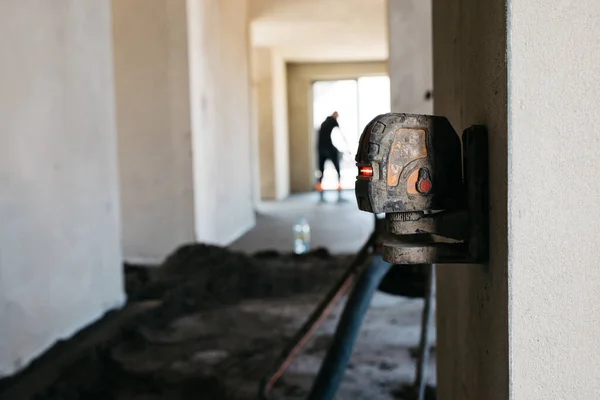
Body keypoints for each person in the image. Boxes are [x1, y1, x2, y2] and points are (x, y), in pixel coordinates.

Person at [316, 111, 346, 200]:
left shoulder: (324, 122)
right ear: (335, 116)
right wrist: (345, 144)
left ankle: (319, 187)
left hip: (320, 148)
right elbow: (340, 133)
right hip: (328, 148)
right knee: (337, 167)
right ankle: (339, 186)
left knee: (321, 169)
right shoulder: (333, 121)